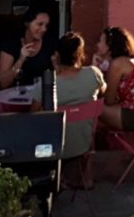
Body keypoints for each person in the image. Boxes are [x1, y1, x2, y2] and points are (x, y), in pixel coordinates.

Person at [31, 32, 105, 164]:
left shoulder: (46, 85)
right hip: (83, 144)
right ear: (80, 54)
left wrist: (57, 71)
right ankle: (84, 174)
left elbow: (33, 114)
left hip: (54, 147)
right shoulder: (93, 74)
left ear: (57, 56)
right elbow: (102, 91)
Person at [0, 9, 55, 89]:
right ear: (27, 23)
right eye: (39, 24)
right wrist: (21, 59)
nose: (44, 29)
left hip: (40, 95)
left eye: (46, 25)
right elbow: (3, 83)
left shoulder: (50, 44)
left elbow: (59, 75)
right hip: (15, 94)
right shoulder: (11, 44)